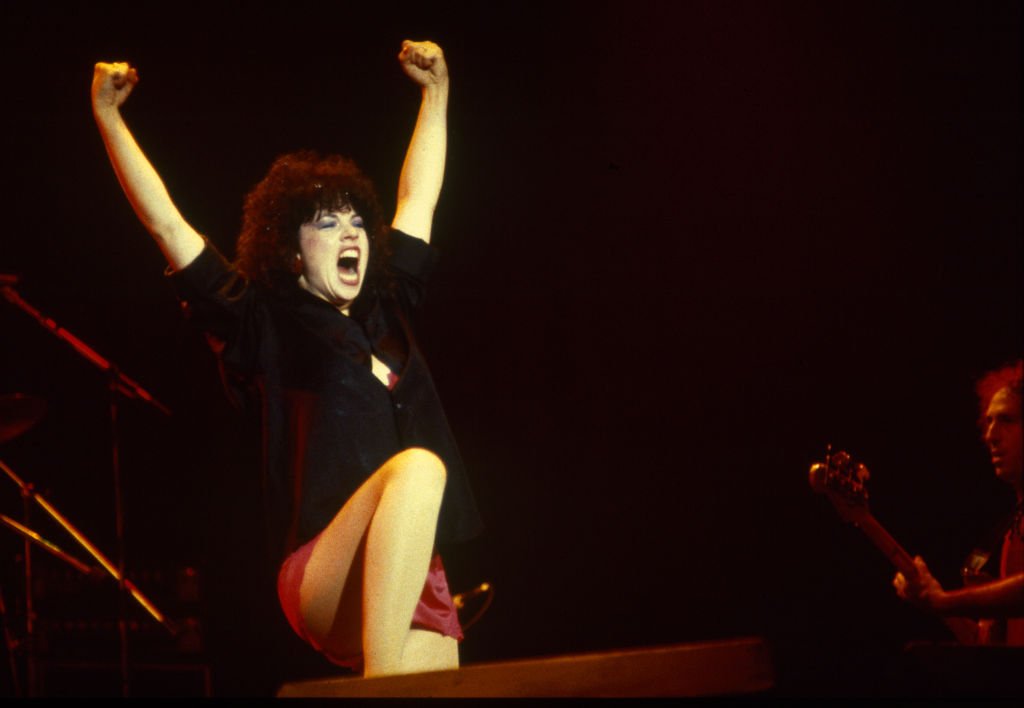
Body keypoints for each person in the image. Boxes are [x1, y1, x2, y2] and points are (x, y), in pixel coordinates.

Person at [91, 40, 482, 677]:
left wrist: (436, 94)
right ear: (293, 255)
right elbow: (167, 226)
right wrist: (109, 117)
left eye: (356, 219)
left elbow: (419, 198)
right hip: (322, 572)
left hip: (414, 576)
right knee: (420, 470)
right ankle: (378, 689)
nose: (351, 231)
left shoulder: (388, 308)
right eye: (327, 224)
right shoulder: (264, 321)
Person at [893, 359, 1024, 645]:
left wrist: (945, 601)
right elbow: (987, 643)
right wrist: (933, 600)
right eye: (988, 422)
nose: (990, 435)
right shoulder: (1010, 528)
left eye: (1006, 420)